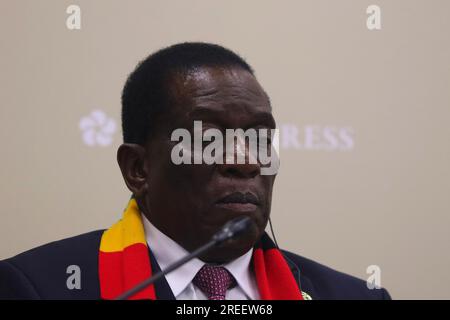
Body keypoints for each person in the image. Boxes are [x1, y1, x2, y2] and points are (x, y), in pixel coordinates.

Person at [0, 43, 391, 300]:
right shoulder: (38, 287)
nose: (243, 161)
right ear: (138, 169)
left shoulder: (353, 296)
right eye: (208, 139)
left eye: (258, 137)